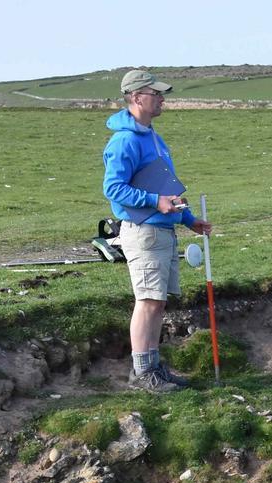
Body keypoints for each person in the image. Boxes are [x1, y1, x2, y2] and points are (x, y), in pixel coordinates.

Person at [102, 69, 212, 393]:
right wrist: (155, 201)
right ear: (137, 97)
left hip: (162, 231)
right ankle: (142, 374)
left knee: (157, 302)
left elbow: (165, 188)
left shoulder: (153, 137)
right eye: (157, 93)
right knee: (148, 301)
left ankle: (153, 368)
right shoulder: (123, 141)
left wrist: (188, 218)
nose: (162, 99)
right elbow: (113, 188)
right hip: (143, 232)